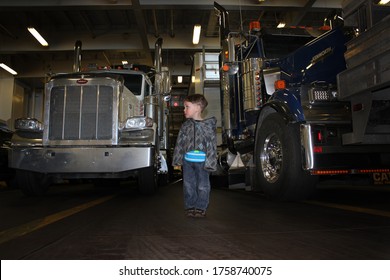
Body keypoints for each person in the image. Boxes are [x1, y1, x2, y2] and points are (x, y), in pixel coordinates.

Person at [172, 94, 217, 218]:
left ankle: (201, 207)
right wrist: (177, 160)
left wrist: (211, 162)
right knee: (188, 185)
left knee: (203, 185)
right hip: (187, 161)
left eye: (187, 107)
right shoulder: (185, 126)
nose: (184, 110)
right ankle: (190, 206)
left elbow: (212, 145)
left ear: (197, 108)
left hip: (202, 161)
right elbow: (180, 143)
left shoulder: (208, 126)